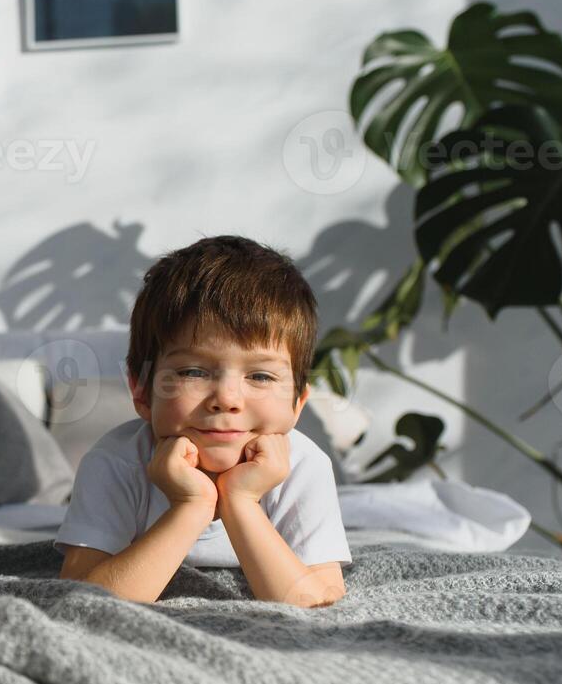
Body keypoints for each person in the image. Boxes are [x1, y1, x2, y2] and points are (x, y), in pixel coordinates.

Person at [53, 235, 351, 607]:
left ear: (298, 403)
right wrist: (190, 507)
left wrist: (240, 501)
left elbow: (318, 603)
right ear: (143, 393)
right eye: (194, 371)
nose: (227, 399)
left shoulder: (304, 466)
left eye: (260, 376)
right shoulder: (115, 463)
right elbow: (82, 601)